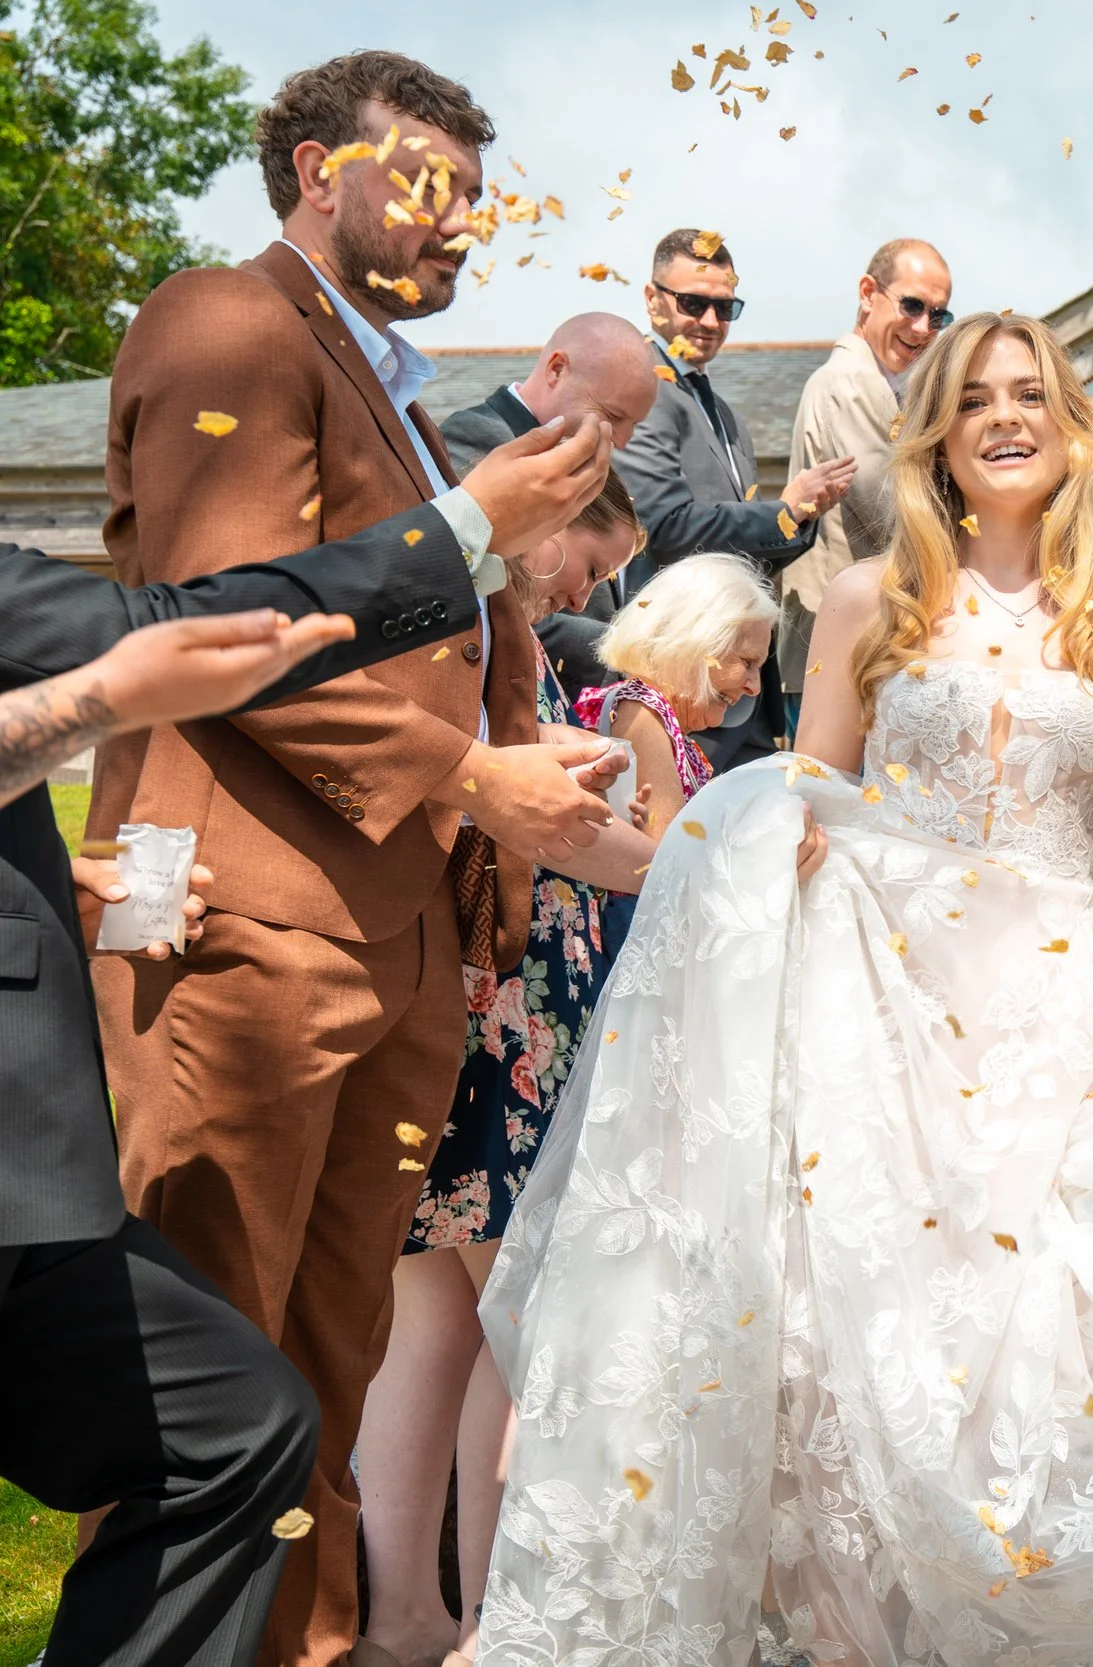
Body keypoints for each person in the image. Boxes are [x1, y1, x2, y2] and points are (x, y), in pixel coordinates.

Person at [475, 312, 1093, 1664]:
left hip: (1058, 1011)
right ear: (934, 430)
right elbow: (810, 789)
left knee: (1050, 1350)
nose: (1005, 418)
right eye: (975, 398)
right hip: (886, 1002)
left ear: (1070, 427)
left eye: (1030, 396)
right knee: (861, 1348)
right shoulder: (871, 597)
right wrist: (724, 877)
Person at [84, 53, 629, 1667]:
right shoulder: (224, 320)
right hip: (241, 928)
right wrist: (474, 774)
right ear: (320, 170)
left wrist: (491, 855)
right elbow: (226, 618)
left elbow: (425, 623)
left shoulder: (395, 382)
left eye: (476, 188)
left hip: (390, 946)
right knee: (209, 1393)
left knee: (325, 1366)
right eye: (427, 180)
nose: (461, 218)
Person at [0, 463, 592, 1667]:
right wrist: (101, 699)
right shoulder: (218, 326)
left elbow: (154, 626)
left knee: (237, 1422)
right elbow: (132, 651)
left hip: (25, 1154)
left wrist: (64, 881)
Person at [356, 474, 655, 1667]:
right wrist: (709, 854)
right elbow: (539, 818)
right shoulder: (460, 612)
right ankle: (496, 1617)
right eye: (589, 556)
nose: (590, 588)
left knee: (436, 1322)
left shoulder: (495, 623)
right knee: (525, 1315)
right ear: (550, 509)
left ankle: (411, 1618)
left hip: (464, 986)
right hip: (497, 998)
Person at [617, 228, 856, 771]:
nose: (709, 322)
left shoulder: (724, 413)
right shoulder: (644, 392)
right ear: (652, 300)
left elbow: (744, 558)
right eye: (693, 303)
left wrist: (799, 519)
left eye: (725, 308)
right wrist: (784, 511)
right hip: (684, 680)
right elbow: (665, 526)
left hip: (740, 693)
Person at [438, 312, 659, 703]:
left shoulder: (580, 463)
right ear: (557, 369)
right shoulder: (478, 442)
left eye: (634, 425)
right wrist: (634, 651)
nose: (621, 441)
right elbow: (496, 604)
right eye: (612, 416)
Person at [783, 236, 955, 706]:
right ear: (867, 293)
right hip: (842, 648)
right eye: (913, 305)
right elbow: (897, 514)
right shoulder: (852, 383)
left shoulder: (884, 384)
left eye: (938, 315)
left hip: (852, 643)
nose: (923, 327)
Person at [580, 552, 779, 839]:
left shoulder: (658, 715)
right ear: (694, 644)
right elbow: (667, 863)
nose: (754, 687)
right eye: (747, 662)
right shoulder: (641, 712)